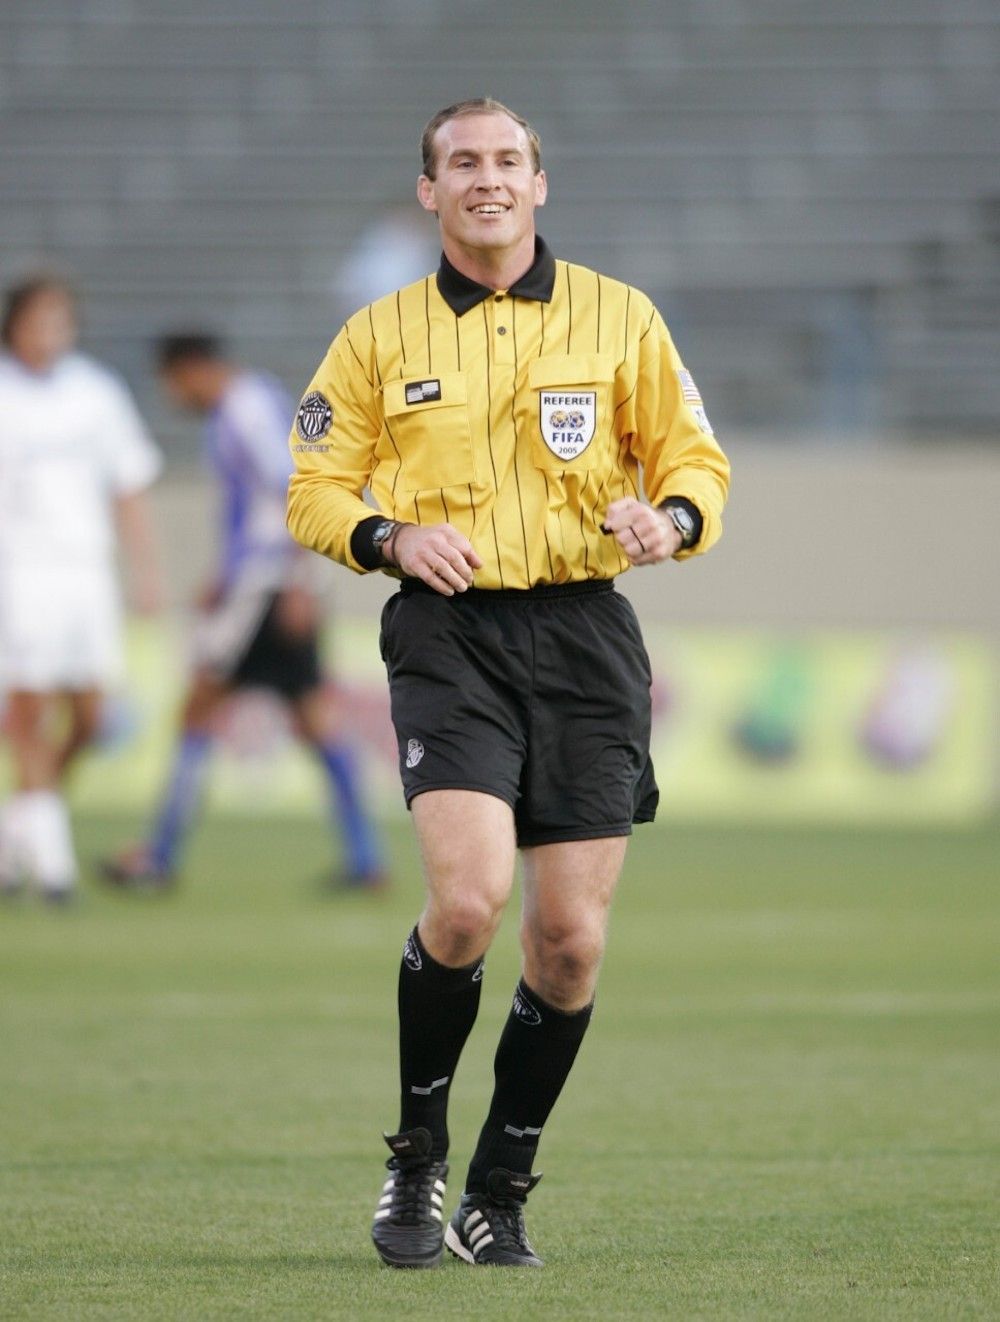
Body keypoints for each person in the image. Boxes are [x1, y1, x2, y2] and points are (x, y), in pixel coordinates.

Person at [286, 98, 731, 1269]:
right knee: (471, 901)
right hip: (448, 637)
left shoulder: (619, 317)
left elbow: (695, 457)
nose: (487, 178)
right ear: (429, 192)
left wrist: (668, 517)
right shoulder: (376, 335)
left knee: (571, 942)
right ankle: (417, 1157)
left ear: (541, 183)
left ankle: (500, 1186)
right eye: (461, 163)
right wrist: (386, 537)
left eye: (507, 161)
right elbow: (313, 482)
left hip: (585, 635)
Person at [103, 335, 384, 892]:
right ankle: (365, 859)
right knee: (314, 719)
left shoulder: (244, 410)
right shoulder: (256, 401)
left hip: (265, 590)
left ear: (191, 370)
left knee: (198, 709)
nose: (173, 397)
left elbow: (295, 489)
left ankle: (158, 855)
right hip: (266, 584)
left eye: (172, 384)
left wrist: (303, 580)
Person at [0, 274, 163, 902]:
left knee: (92, 716)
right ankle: (54, 868)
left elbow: (128, 484)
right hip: (20, 571)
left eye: (59, 318)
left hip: (86, 574)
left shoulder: (96, 393)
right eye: (37, 318)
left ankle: (22, 825)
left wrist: (145, 572)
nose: (49, 330)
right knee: (29, 710)